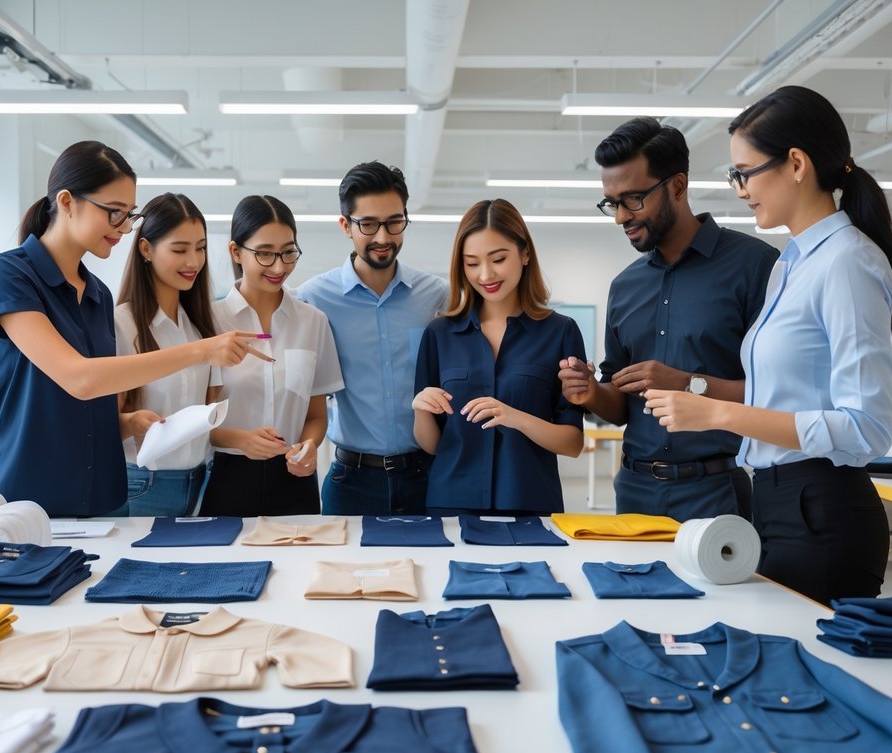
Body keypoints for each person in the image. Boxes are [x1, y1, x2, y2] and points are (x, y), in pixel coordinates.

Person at [645, 85, 892, 605]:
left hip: (823, 511)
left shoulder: (846, 263)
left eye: (744, 173)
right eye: (734, 176)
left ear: (795, 163)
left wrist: (716, 415)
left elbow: (868, 428)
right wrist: (702, 397)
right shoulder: (791, 264)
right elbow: (782, 395)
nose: (740, 189)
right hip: (774, 503)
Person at [0, 140, 265, 517]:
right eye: (114, 213)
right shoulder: (9, 274)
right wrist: (201, 350)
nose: (124, 228)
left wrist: (128, 421)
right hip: (25, 496)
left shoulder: (96, 293)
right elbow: (79, 378)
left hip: (101, 497)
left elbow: (95, 405)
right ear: (67, 202)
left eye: (128, 214)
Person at [558, 118, 777, 522]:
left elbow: (779, 394)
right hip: (634, 491)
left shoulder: (756, 267)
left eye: (634, 199)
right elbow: (622, 405)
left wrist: (685, 383)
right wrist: (589, 392)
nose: (620, 217)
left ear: (678, 186)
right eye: (612, 202)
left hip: (716, 491)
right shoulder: (624, 287)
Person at [412, 198, 584, 516]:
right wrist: (421, 410)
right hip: (451, 505)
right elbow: (433, 445)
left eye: (498, 258)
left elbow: (573, 443)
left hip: (530, 504)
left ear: (525, 253)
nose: (486, 274)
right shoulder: (439, 334)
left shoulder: (561, 332)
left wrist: (514, 417)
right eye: (472, 262)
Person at [297, 161, 448, 515]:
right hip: (351, 482)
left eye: (394, 222)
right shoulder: (313, 297)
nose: (383, 237)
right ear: (345, 226)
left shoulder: (437, 296)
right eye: (367, 224)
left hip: (427, 475)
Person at [201, 195, 344, 516]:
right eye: (265, 254)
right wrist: (241, 440)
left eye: (288, 252)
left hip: (295, 481)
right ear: (236, 251)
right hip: (227, 477)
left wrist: (309, 445)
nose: (279, 267)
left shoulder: (313, 322)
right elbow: (196, 420)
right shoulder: (209, 322)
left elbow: (316, 416)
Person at [108, 192, 218, 517]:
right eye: (180, 249)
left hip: (201, 482)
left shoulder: (198, 327)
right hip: (144, 484)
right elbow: (103, 426)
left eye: (200, 248)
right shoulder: (122, 324)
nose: (194, 262)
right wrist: (132, 422)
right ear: (146, 249)